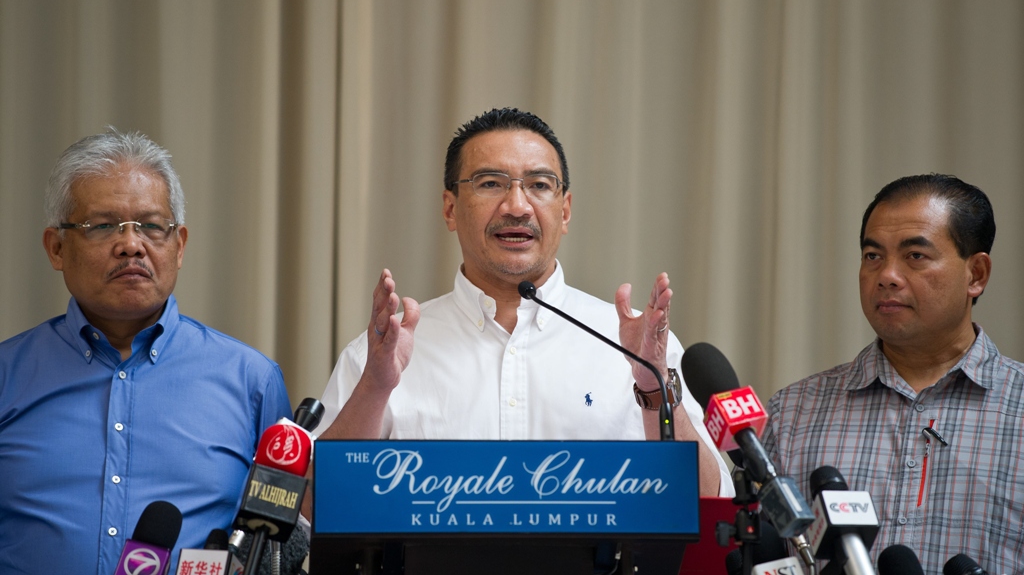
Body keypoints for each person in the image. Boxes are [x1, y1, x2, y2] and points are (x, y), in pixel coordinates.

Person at [314, 107, 731, 498]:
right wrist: (375, 388)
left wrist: (653, 389)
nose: (516, 206)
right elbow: (313, 512)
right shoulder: (384, 356)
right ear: (450, 208)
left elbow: (710, 502)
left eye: (539, 185)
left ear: (564, 211)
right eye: (491, 183)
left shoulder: (636, 346)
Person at [0, 129, 293, 575]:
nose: (131, 245)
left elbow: (278, 549)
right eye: (102, 226)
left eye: (152, 227)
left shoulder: (251, 381)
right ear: (56, 248)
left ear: (180, 247)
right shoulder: (7, 375)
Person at [762, 174, 1023, 575]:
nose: (887, 275)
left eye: (915, 256)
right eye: (873, 256)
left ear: (976, 275)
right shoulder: (793, 413)